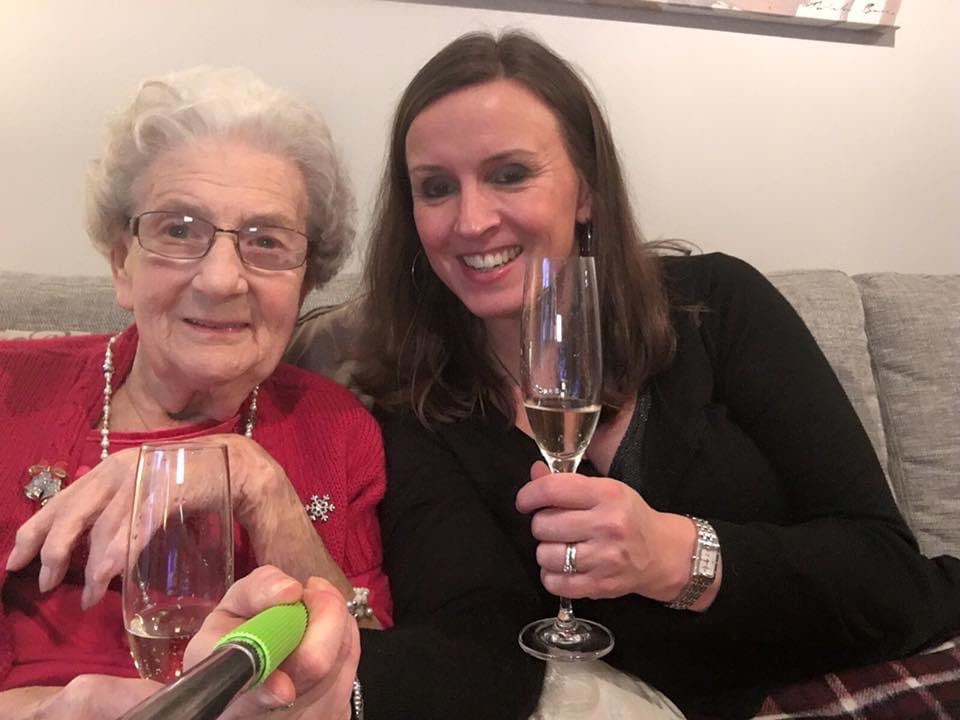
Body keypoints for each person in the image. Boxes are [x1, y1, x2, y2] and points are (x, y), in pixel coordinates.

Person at [353, 30, 960, 718]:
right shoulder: (417, 408)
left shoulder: (717, 306)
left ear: (586, 190)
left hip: (873, 675)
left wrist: (677, 557)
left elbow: (890, 575)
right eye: (436, 188)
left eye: (510, 174)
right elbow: (473, 644)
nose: (470, 220)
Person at [0, 67, 390, 718]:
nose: (220, 279)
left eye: (266, 241)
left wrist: (257, 484)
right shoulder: (12, 390)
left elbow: (369, 671)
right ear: (122, 261)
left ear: (306, 281)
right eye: (179, 230)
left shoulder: (336, 428)